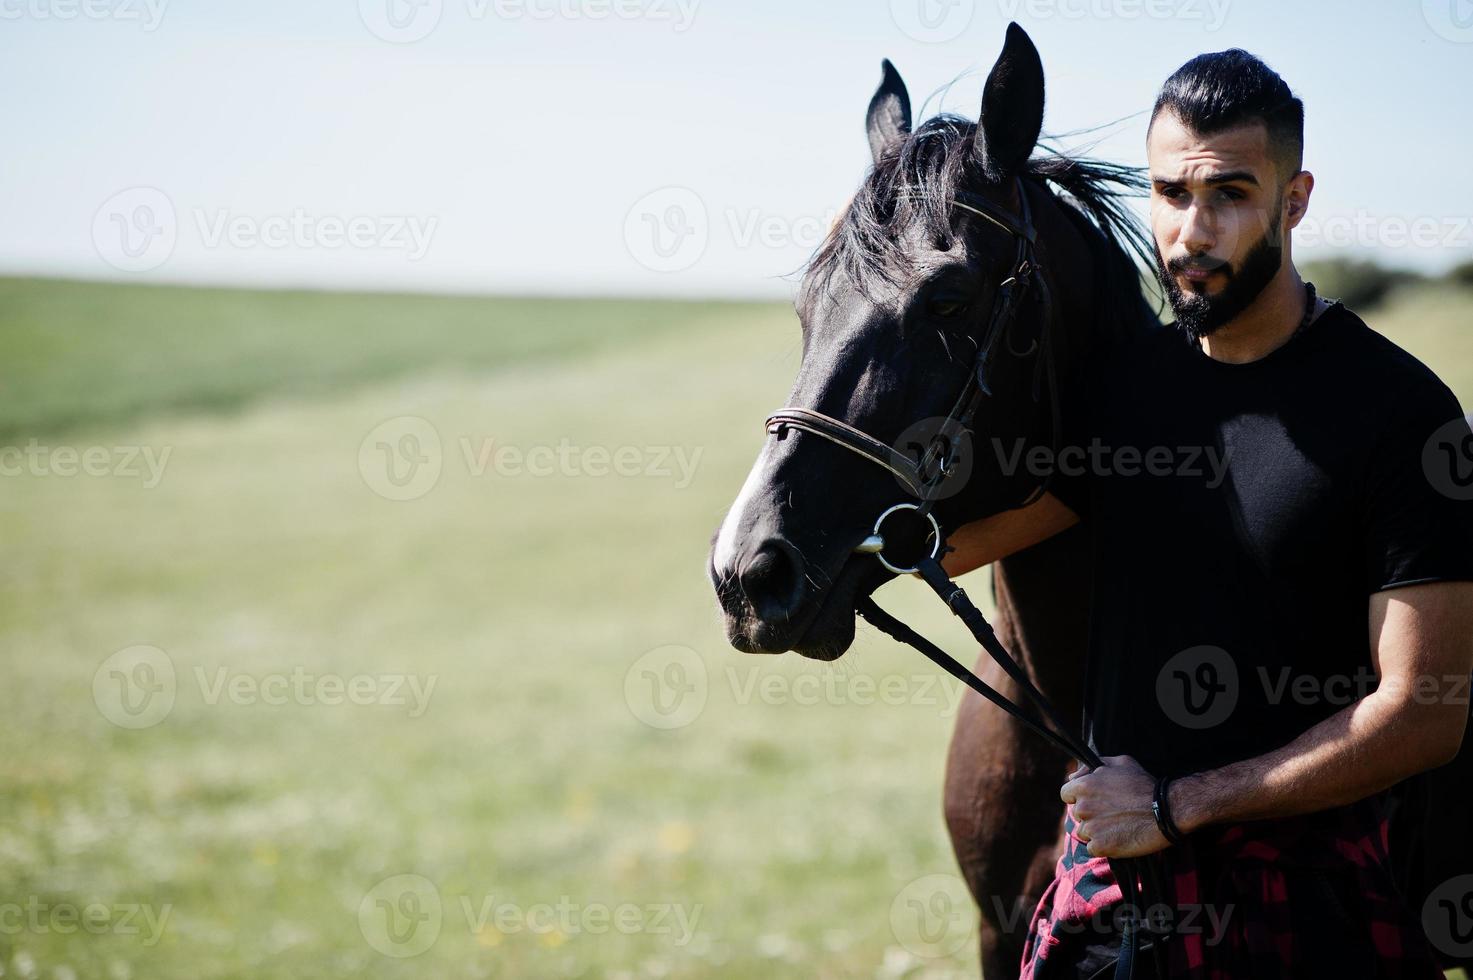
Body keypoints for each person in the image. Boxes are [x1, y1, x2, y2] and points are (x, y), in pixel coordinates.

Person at [941, 49, 1473, 979]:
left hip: (1313, 910)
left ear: (1294, 200)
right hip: (1110, 908)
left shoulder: (1403, 415)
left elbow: (1421, 716)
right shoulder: (1121, 386)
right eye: (1170, 194)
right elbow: (994, 531)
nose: (1192, 231)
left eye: (1229, 193)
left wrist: (1177, 804)